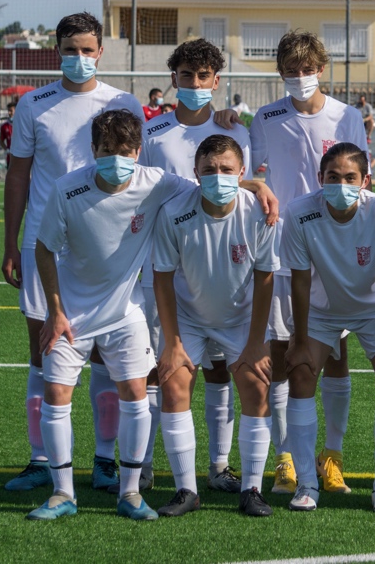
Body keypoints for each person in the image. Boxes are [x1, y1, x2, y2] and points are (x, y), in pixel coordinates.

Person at [2, 12, 144, 493]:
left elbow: (145, 169)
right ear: (56, 50)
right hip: (45, 245)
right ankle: (41, 458)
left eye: (87, 49)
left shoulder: (123, 102)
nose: (79, 58)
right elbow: (19, 175)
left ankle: (105, 459)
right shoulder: (34, 105)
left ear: (101, 51)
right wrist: (11, 242)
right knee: (43, 352)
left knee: (106, 352)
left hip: (109, 244)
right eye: (70, 49)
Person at [26, 108, 186, 521]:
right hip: (70, 314)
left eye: (125, 150)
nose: (116, 158)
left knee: (136, 394)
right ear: (93, 149)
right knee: (56, 396)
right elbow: (44, 249)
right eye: (107, 150)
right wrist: (55, 311)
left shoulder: (156, 182)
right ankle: (63, 494)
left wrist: (256, 185)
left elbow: (206, 189)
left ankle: (130, 494)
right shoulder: (67, 189)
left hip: (125, 312)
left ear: (138, 151)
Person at [138, 38, 276, 496]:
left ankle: (220, 465)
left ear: (216, 82)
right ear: (173, 80)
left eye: (203, 77)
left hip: (224, 271)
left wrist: (258, 184)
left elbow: (239, 188)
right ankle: (146, 463)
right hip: (166, 267)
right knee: (163, 368)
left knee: (221, 372)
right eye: (185, 76)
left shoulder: (235, 131)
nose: (194, 84)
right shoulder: (152, 132)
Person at [249, 30, 369, 496]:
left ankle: (331, 457)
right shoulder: (265, 117)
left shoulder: (347, 116)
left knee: (336, 357)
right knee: (284, 355)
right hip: (282, 247)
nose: (300, 78)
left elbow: (361, 181)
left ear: (322, 69)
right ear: (280, 73)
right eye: (290, 71)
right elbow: (249, 170)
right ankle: (286, 459)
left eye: (307, 69)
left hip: (334, 248)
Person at [152, 134, 278, 518]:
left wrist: (256, 342)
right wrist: (172, 342)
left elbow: (266, 277)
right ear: (196, 173)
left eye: (226, 170)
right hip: (189, 317)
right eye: (209, 170)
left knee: (256, 385)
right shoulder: (174, 212)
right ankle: (186, 490)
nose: (218, 176)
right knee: (173, 383)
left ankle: (252, 489)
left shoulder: (260, 212)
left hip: (240, 319)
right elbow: (162, 278)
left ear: (242, 173)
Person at [281, 143, 375, 513]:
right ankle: (307, 483)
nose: (341, 184)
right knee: (301, 372)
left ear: (366, 180)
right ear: (320, 179)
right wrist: (299, 340)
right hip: (322, 311)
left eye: (350, 177)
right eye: (332, 177)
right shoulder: (299, 212)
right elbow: (300, 281)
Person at [0, 101, 17, 168]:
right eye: (8, 111)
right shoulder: (4, 126)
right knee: (11, 178)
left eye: (11, 111)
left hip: (22, 157)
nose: (9, 113)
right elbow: (1, 141)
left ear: (16, 111)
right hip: (10, 158)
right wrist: (7, 150)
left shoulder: (21, 125)